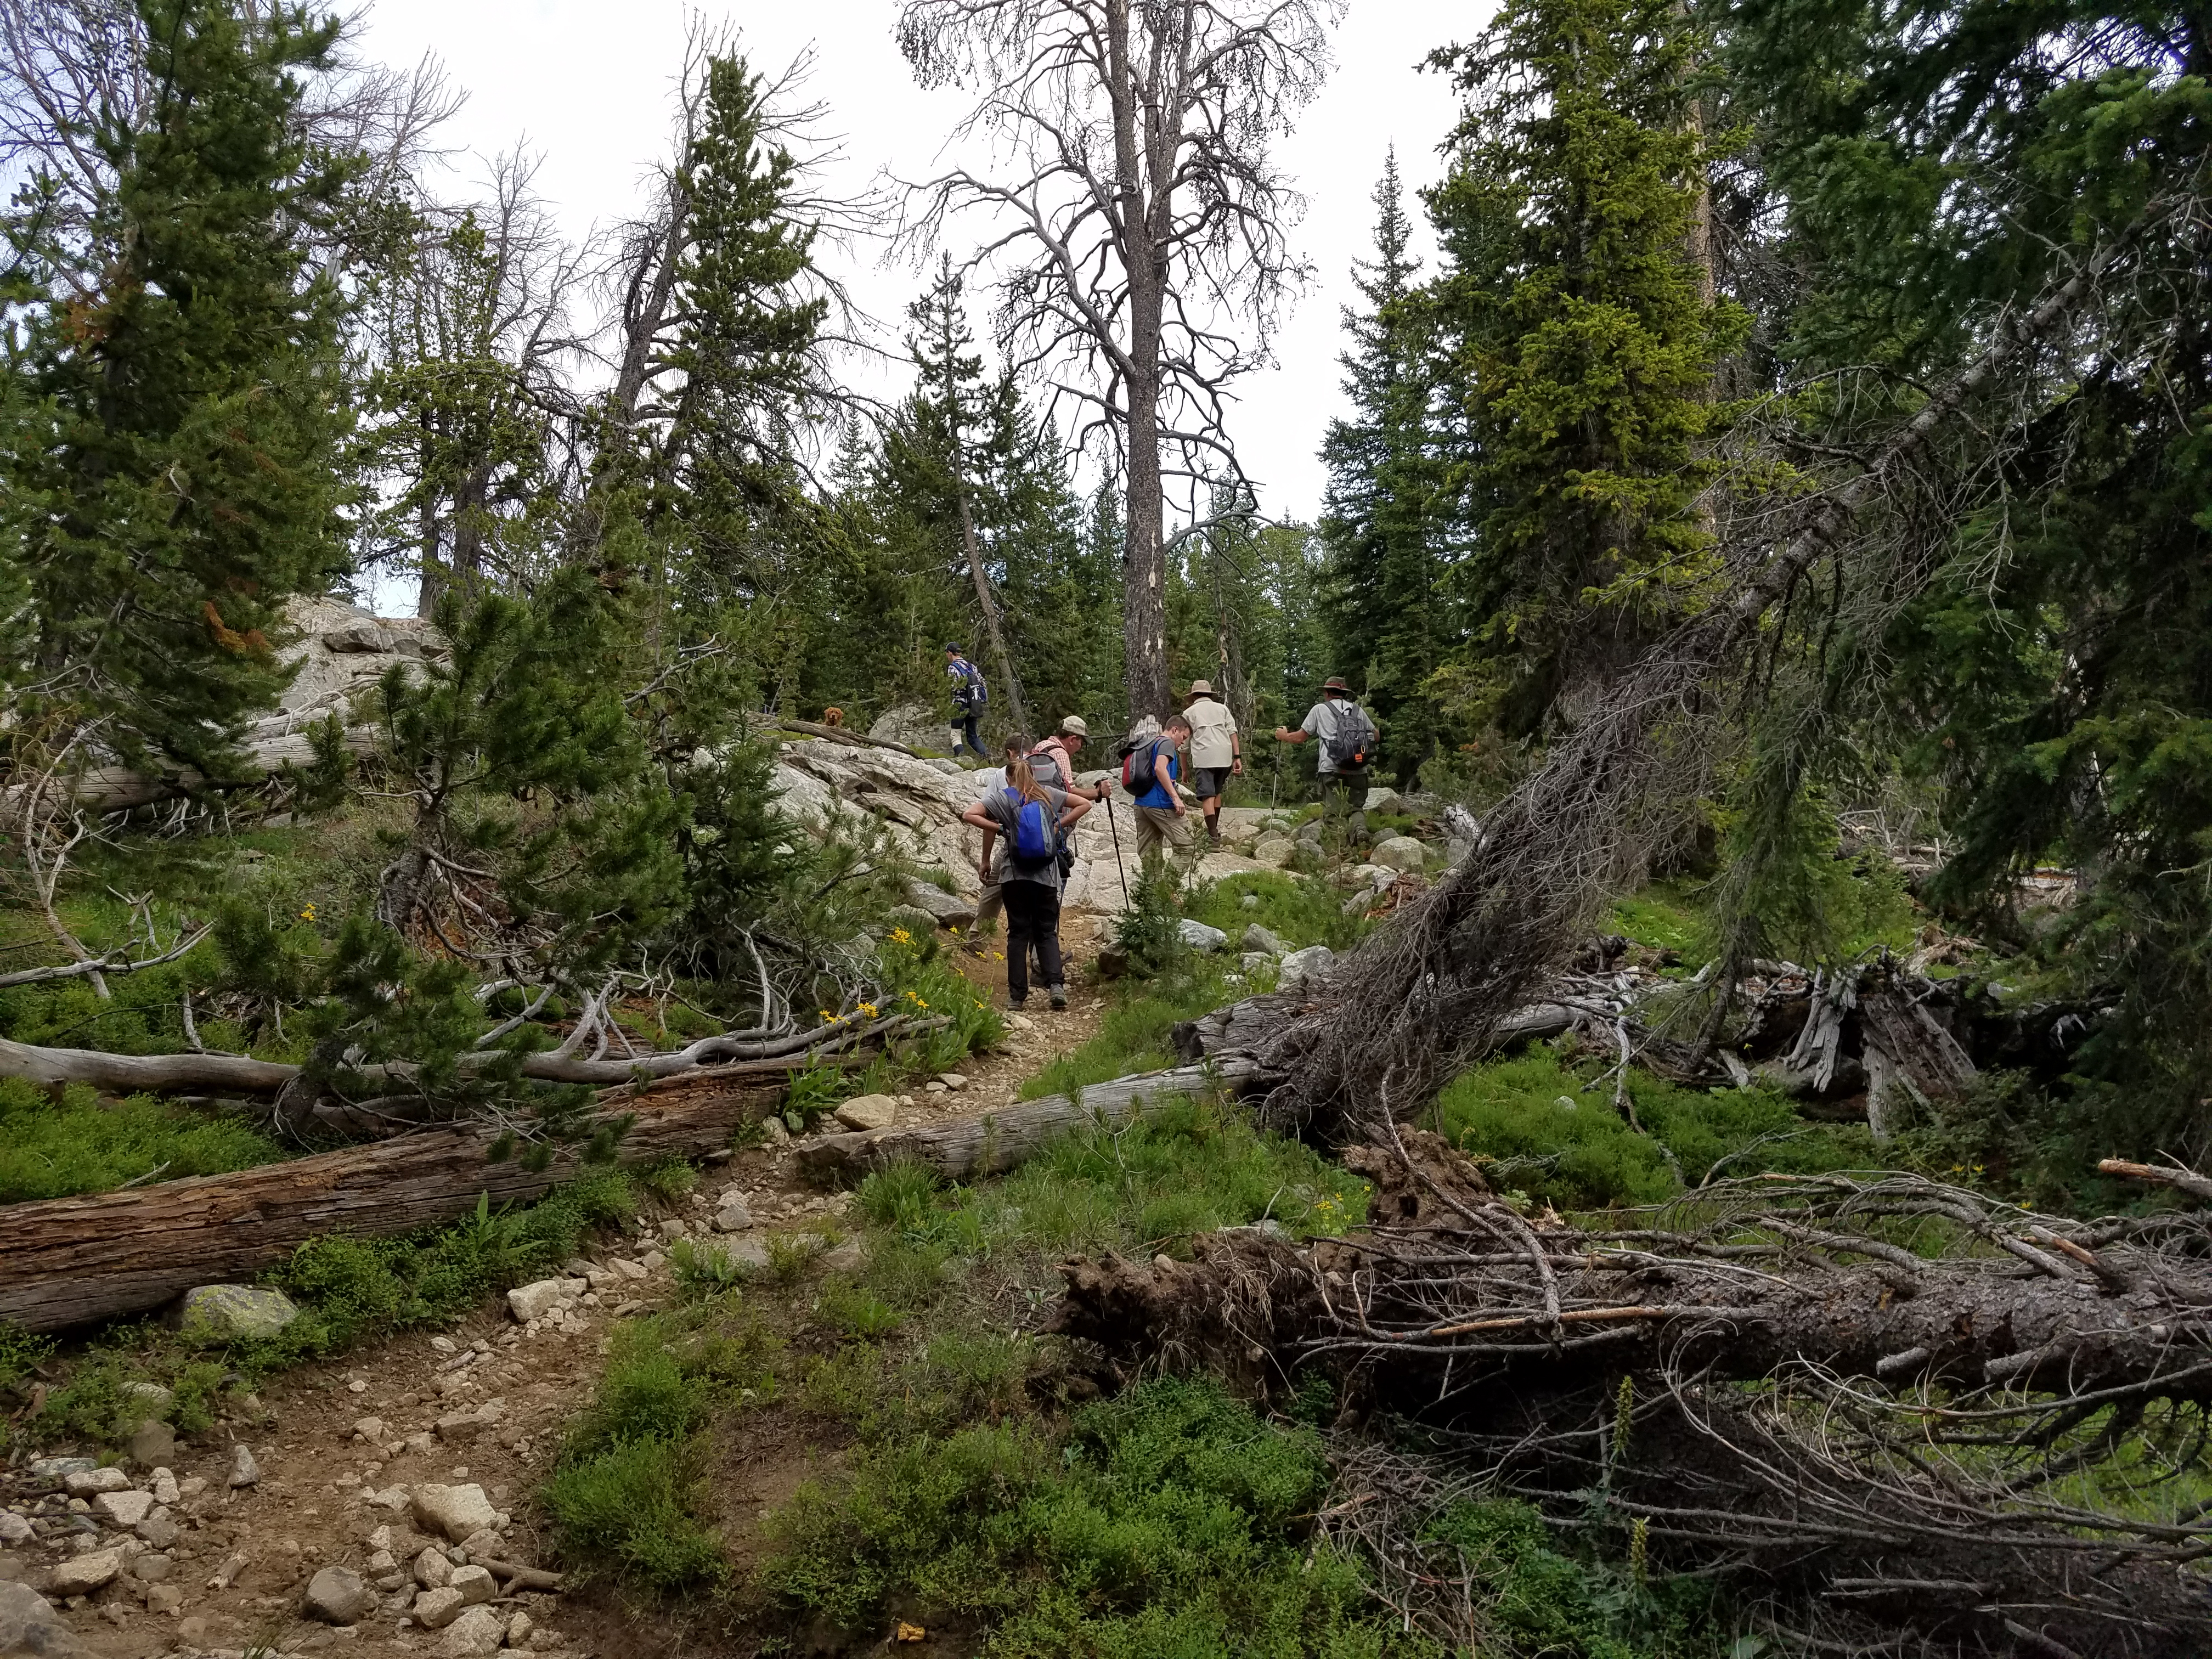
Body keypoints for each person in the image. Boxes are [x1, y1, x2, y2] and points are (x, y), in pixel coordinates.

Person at [961, 755, 1093, 1011]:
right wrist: (1057, 825)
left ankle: (1016, 997)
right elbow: (1083, 805)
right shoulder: (1048, 794)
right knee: (1046, 931)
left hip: (1015, 875)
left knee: (1018, 934)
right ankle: (1056, 986)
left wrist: (1002, 829)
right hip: (1047, 875)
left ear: (1009, 777)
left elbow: (970, 814)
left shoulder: (1004, 797)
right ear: (1033, 775)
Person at [1274, 676, 1379, 822]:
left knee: (1332, 813)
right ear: (1344, 693)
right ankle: (1359, 833)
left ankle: (1335, 844)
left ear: (1328, 693)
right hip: (1358, 768)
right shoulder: (1358, 710)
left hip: (1331, 767)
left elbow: (1300, 738)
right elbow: (1376, 735)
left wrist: (1284, 736)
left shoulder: (1320, 709)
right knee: (1356, 809)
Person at [1181, 679, 1242, 847]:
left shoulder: (1188, 713)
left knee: (1207, 795)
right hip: (1224, 756)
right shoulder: (1222, 709)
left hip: (1204, 758)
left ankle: (1213, 837)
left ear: (1194, 696)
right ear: (1209, 695)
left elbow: (1184, 745)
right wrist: (1237, 757)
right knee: (1217, 792)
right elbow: (1232, 733)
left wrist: (1184, 770)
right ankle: (1214, 830)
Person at [1128, 713, 1194, 867]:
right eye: (1183, 737)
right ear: (1175, 730)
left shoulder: (1149, 742)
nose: (1183, 742)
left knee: (1150, 855)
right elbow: (1160, 768)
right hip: (1160, 803)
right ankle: (1169, 886)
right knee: (1188, 845)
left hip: (1141, 804)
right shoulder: (1167, 743)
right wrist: (1176, 798)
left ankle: (1152, 889)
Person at [944, 643, 988, 760]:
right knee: (973, 736)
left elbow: (954, 686)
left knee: (955, 734)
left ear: (950, 653)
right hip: (974, 704)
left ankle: (962, 760)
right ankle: (988, 758)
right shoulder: (972, 666)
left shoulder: (953, 667)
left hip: (959, 705)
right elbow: (982, 683)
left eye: (947, 654)